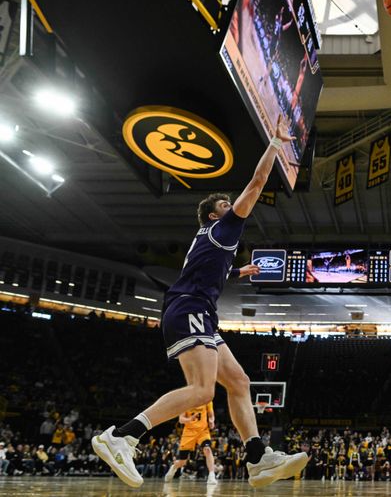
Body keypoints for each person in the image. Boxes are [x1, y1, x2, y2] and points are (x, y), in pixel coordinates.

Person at [91, 115, 308, 488]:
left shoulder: (214, 243)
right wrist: (273, 145)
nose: (232, 206)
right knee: (203, 390)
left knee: (239, 381)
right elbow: (256, 184)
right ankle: (122, 436)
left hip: (199, 312)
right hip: (188, 308)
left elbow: (214, 274)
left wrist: (241, 273)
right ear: (214, 214)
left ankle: (257, 458)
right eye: (226, 204)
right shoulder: (223, 228)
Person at [164, 402, 217, 485]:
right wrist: (190, 419)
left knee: (207, 449)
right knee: (183, 462)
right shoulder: (186, 401)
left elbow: (211, 414)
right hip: (189, 433)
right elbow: (181, 419)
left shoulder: (207, 400)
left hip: (203, 431)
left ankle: (211, 475)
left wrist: (211, 421)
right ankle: (174, 467)